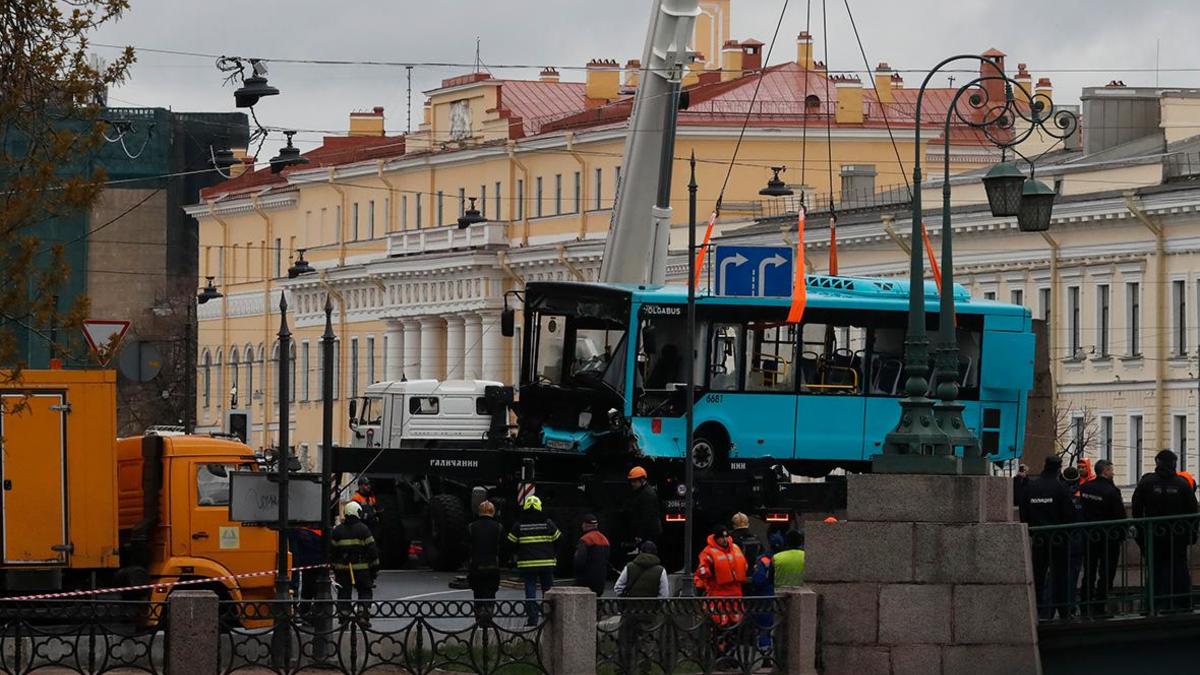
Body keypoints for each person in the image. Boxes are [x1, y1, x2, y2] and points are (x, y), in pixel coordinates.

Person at [1132, 449, 1199, 612]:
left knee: (1155, 568)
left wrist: (1141, 532)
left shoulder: (1147, 483)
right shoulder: (1182, 484)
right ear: (1174, 464)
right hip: (1177, 535)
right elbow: (1192, 511)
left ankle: (1154, 603)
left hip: (1153, 534)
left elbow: (1136, 509)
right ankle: (1181, 603)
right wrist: (1191, 534)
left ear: (1157, 463)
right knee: (1178, 568)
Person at [1019, 455, 1075, 619]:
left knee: (1038, 576)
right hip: (1058, 538)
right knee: (1060, 576)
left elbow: (1024, 512)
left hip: (1038, 538)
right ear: (1059, 469)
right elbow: (1069, 514)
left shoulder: (1032, 486)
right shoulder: (1060, 488)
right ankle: (1063, 611)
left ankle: (1037, 610)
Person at [1078, 459, 1126, 617]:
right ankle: (1100, 604)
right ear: (1105, 471)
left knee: (1089, 569)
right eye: (1111, 470)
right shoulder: (1111, 491)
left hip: (1089, 535)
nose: (1113, 473)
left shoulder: (1085, 488)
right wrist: (1121, 534)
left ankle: (1084, 602)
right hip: (1108, 537)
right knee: (1106, 571)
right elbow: (1119, 515)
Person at [613, 540, 669, 674]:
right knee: (647, 642)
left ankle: (623, 668)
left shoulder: (630, 566)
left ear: (640, 551)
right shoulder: (660, 571)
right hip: (648, 613)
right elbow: (664, 595)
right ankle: (644, 669)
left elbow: (617, 588)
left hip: (629, 611)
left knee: (625, 640)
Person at [507, 495, 561, 626]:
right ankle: (550, 618)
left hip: (527, 564)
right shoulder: (548, 522)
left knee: (530, 591)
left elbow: (509, 544)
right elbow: (559, 540)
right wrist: (554, 553)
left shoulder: (519, 524)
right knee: (548, 592)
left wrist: (516, 554)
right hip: (547, 563)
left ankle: (532, 619)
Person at [331, 501, 380, 624]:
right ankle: (363, 616)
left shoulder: (338, 531)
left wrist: (335, 567)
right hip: (362, 570)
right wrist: (374, 569)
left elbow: (332, 552)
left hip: (343, 570)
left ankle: (344, 616)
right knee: (365, 591)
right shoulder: (363, 530)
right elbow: (372, 550)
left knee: (343, 592)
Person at [467, 500, 503, 623]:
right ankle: (488, 617)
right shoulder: (498, 527)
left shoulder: (472, 527)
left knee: (478, 594)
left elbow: (466, 546)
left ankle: (479, 618)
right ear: (493, 512)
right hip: (493, 566)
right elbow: (503, 547)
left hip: (476, 566)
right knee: (491, 594)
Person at [288, 526, 324, 621]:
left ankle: (303, 612)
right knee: (317, 590)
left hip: (305, 564)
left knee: (307, 590)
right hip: (318, 564)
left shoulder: (299, 531)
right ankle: (312, 613)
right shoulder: (319, 531)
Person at [573, 513, 611, 596]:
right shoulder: (605, 539)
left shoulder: (585, 539)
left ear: (585, 525)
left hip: (585, 581)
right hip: (600, 579)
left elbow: (579, 561)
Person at [627, 467, 662, 551]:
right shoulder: (642, 492)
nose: (632, 484)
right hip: (647, 534)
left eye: (634, 481)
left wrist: (640, 535)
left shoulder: (647, 495)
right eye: (631, 481)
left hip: (648, 535)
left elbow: (646, 517)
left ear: (642, 480)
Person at [730, 512, 764, 596]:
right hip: (753, 576)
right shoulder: (756, 538)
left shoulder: (731, 539)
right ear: (748, 524)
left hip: (736, 578)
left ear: (733, 525)